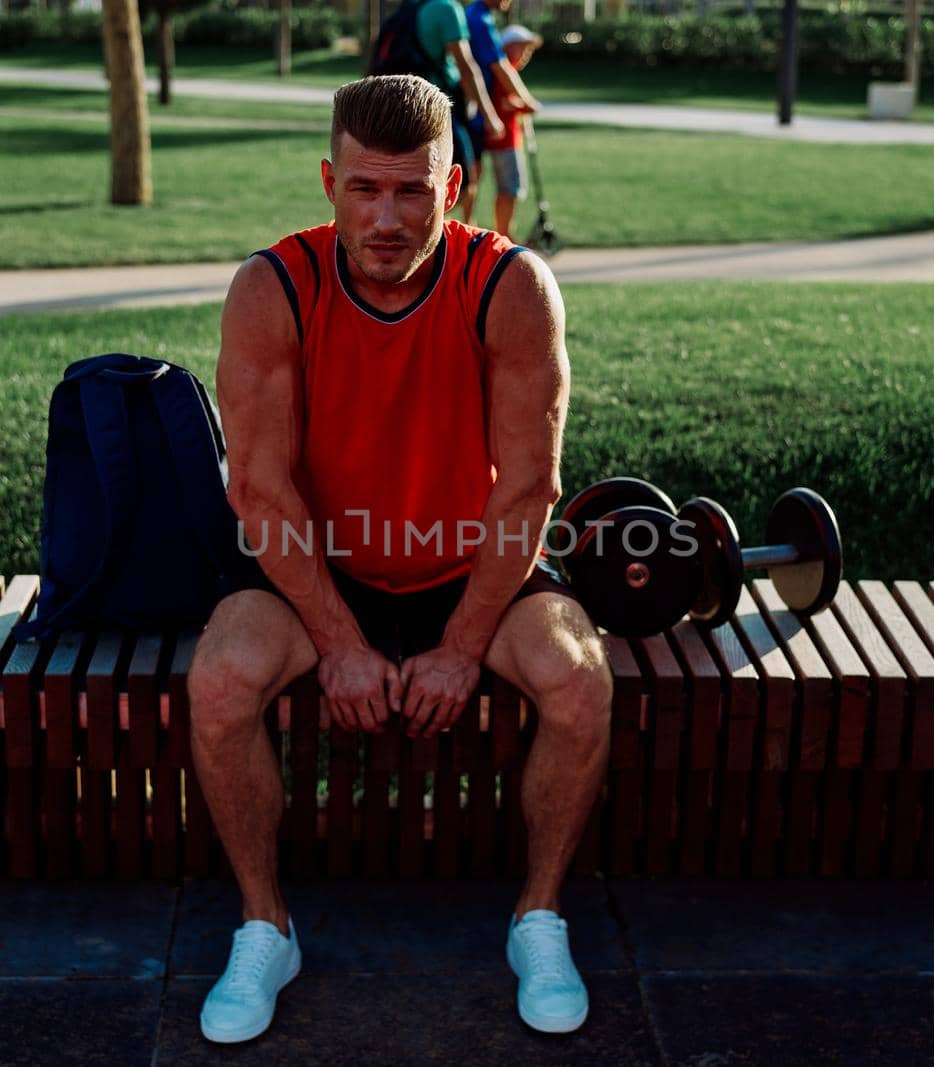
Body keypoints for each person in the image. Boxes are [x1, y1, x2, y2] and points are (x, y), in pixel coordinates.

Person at [190, 74, 611, 1044]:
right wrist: (337, 639)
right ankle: (266, 925)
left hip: (470, 565)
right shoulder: (274, 287)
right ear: (329, 181)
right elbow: (258, 491)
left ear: (453, 186)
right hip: (314, 573)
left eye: (412, 191)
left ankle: (536, 916)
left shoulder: (508, 285)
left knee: (580, 679)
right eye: (365, 189)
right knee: (219, 681)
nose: (387, 216)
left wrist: (463, 647)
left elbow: (527, 488)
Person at [407, 0, 504, 201]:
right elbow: (466, 66)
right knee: (461, 180)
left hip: (406, 105)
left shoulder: (413, 7)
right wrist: (490, 117)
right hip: (435, 105)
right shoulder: (448, 9)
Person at [459, 0, 542, 230]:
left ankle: (470, 228)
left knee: (472, 176)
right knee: (471, 178)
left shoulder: (476, 15)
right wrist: (527, 101)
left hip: (473, 113)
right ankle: (470, 230)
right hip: (476, 115)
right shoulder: (480, 19)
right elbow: (500, 67)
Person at [477, 24, 543, 236]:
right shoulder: (502, 73)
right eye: (523, 48)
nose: (527, 54)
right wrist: (528, 105)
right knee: (510, 189)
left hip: (509, 138)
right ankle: (505, 234)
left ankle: (505, 232)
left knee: (510, 188)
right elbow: (507, 105)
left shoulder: (506, 71)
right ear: (509, 47)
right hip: (504, 140)